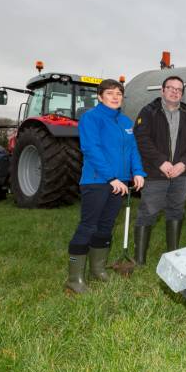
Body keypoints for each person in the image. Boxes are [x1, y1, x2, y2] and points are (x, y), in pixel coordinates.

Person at [66, 79, 145, 293]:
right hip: (97, 181)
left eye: (119, 93)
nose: (115, 97)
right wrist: (111, 178)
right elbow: (91, 149)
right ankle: (74, 281)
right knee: (88, 226)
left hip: (119, 183)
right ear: (100, 96)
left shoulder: (126, 122)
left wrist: (137, 172)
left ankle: (98, 270)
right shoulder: (91, 118)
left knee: (106, 227)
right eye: (110, 93)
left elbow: (133, 150)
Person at [133, 75, 186, 264]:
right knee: (149, 211)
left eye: (179, 89)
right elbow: (142, 139)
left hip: (181, 174)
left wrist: (183, 164)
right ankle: (140, 259)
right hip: (156, 173)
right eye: (171, 88)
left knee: (177, 210)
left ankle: (173, 254)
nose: (175, 92)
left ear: (182, 94)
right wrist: (161, 162)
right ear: (162, 90)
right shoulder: (148, 112)